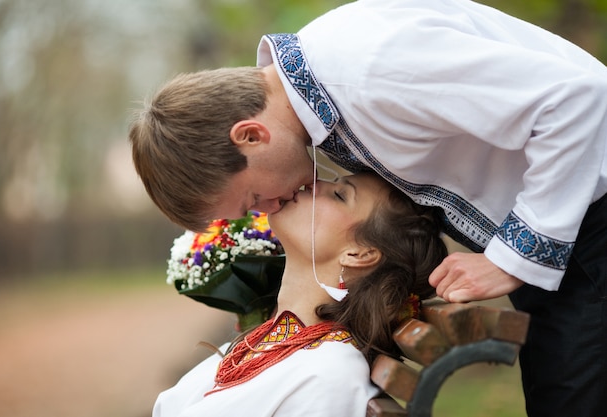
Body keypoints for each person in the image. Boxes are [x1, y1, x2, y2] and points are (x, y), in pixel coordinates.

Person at [128, 1, 607, 415]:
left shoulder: (368, 70)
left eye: (254, 199)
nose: (271, 208)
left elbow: (579, 99)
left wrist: (513, 257)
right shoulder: (334, 90)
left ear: (251, 136)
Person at [152, 173, 448, 417]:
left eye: (340, 195)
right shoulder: (272, 342)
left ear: (359, 253)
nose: (313, 184)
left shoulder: (329, 373)